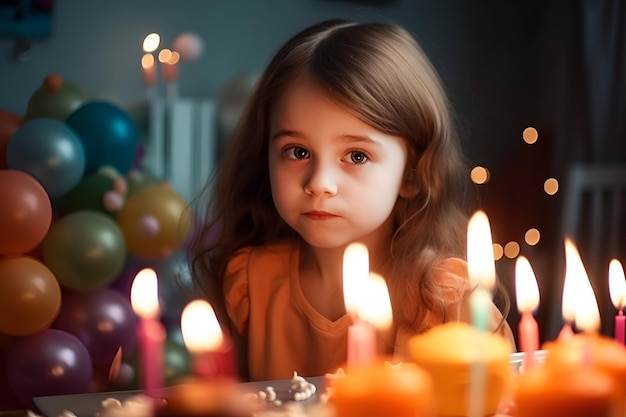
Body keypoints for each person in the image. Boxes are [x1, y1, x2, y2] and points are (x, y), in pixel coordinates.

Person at [188, 18, 515, 382]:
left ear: (411, 173)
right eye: (297, 151)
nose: (320, 183)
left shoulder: (450, 305)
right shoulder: (252, 282)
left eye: (356, 156)